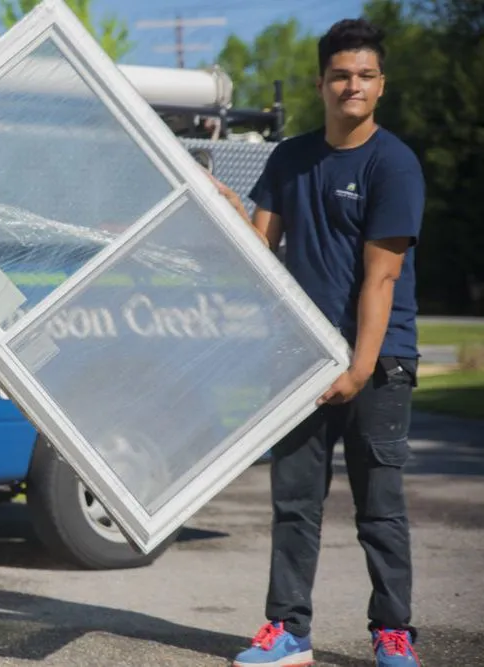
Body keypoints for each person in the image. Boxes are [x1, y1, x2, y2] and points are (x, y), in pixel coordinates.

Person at [211, 19, 425, 667]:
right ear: (320, 81)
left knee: (379, 508)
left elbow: (381, 279)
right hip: (300, 359)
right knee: (294, 504)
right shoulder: (289, 158)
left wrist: (359, 368)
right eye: (340, 75)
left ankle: (392, 633)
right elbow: (259, 250)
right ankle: (288, 632)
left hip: (378, 362)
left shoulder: (394, 164)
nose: (351, 86)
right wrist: (218, 207)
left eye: (364, 76)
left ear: (380, 86)